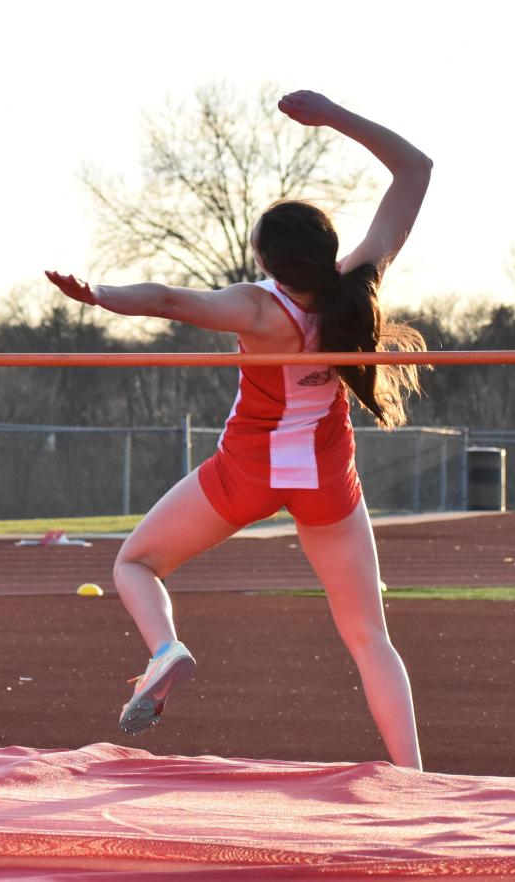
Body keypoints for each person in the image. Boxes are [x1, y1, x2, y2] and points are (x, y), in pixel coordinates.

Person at [46, 89, 432, 769]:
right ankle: (412, 778)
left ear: (265, 261)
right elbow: (414, 169)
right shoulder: (359, 283)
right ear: (325, 248)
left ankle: (166, 648)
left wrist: (98, 295)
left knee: (134, 563)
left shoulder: (255, 309)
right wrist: (335, 118)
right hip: (324, 479)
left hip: (246, 473)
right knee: (369, 637)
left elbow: (168, 300)